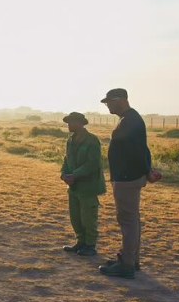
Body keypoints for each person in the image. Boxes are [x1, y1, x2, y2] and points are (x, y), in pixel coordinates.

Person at [98, 88, 155, 279]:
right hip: (127, 176)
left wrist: (146, 170)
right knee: (132, 219)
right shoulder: (131, 119)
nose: (107, 105)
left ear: (121, 99)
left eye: (109, 102)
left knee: (128, 220)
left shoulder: (130, 120)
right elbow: (143, 149)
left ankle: (127, 264)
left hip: (127, 178)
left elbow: (138, 152)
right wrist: (147, 170)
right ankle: (131, 260)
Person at [60, 112, 106, 257]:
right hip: (73, 186)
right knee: (75, 217)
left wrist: (74, 175)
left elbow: (93, 163)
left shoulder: (92, 140)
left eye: (71, 122)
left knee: (88, 217)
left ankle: (90, 245)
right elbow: (66, 159)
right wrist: (64, 174)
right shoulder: (70, 140)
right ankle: (80, 242)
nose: (68, 125)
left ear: (80, 123)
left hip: (88, 185)